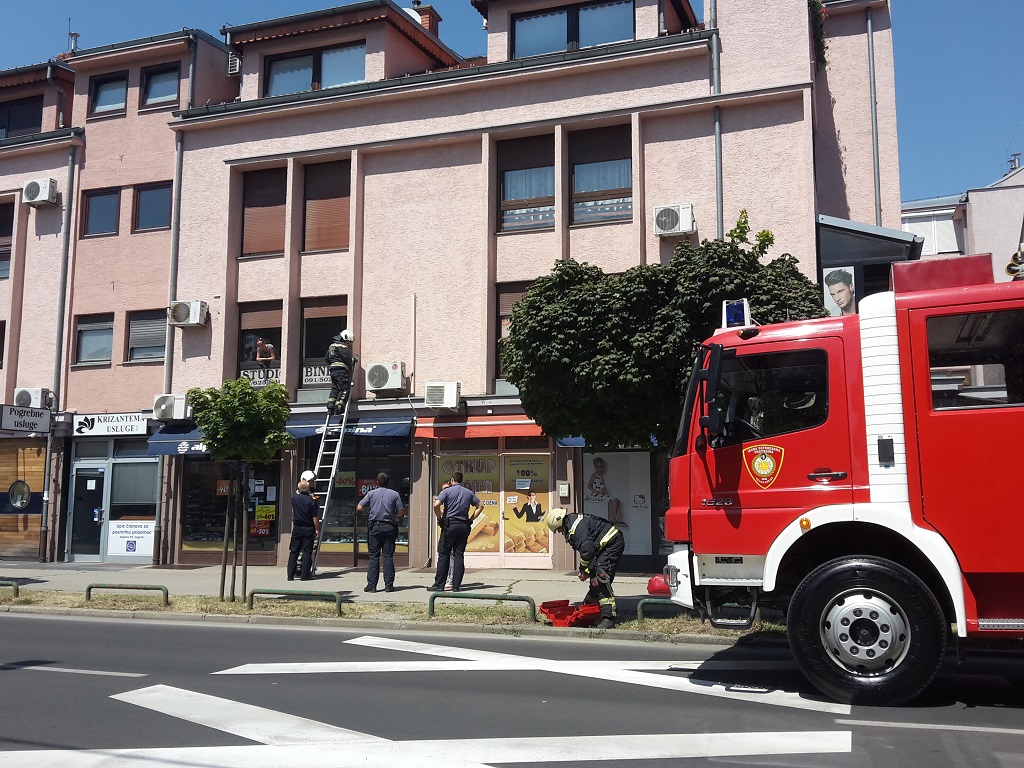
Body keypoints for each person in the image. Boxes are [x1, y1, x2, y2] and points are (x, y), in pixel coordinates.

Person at [546, 507, 624, 629]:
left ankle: (608, 618)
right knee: (595, 579)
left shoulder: (575, 528)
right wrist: (586, 570)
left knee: (601, 579)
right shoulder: (572, 523)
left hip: (612, 544)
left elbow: (587, 551)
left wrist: (583, 570)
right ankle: (588, 609)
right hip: (602, 546)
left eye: (558, 529)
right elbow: (589, 552)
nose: (560, 532)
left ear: (560, 523)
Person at [430, 471, 483, 592]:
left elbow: (436, 505)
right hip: (463, 526)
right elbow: (480, 506)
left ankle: (439, 584)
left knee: (444, 554)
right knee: (459, 555)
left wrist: (439, 518)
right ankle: (456, 585)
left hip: (450, 526)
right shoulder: (468, 493)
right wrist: (471, 519)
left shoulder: (447, 491)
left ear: (452, 480)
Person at [357, 471, 405, 593]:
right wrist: (395, 517)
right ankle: (389, 585)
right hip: (389, 526)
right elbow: (401, 511)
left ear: (377, 482)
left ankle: (372, 585)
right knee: (388, 556)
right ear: (388, 482)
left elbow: (359, 507)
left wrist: (368, 512)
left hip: (375, 527)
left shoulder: (371, 493)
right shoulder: (394, 494)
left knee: (374, 556)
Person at [287, 480, 320, 581]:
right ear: (308, 488)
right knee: (307, 551)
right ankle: (304, 575)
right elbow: (315, 517)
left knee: (294, 552)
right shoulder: (312, 500)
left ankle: (290, 575)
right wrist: (317, 529)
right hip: (308, 528)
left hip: (297, 528)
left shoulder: (294, 499)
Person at [585, 456, 627, 527]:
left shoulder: (600, 476)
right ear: (594, 467)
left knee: (613, 502)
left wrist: (602, 491)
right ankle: (613, 519)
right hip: (596, 496)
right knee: (615, 500)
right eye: (597, 466)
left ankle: (615, 518)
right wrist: (597, 492)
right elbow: (589, 486)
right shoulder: (594, 475)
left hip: (600, 495)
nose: (599, 468)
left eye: (600, 466)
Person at [325, 329, 355, 416]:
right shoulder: (342, 346)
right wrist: (353, 360)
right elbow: (347, 359)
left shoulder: (331, 346)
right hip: (340, 370)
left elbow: (326, 359)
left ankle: (330, 407)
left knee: (335, 388)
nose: (348, 344)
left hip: (333, 370)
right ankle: (339, 407)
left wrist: (334, 362)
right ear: (345, 339)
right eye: (348, 342)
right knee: (344, 388)